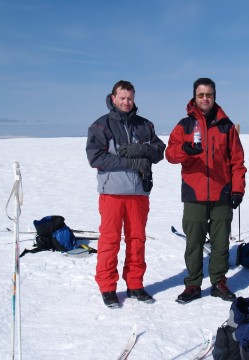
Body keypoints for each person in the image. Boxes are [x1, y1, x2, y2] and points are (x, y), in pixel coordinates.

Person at [166, 78, 247, 303]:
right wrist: (185, 150)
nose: (205, 98)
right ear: (194, 97)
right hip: (194, 192)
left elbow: (237, 161)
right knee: (194, 242)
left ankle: (219, 282)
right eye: (201, 95)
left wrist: (237, 189)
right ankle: (192, 284)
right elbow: (170, 154)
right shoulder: (185, 125)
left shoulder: (226, 125)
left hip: (222, 192)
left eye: (209, 94)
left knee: (221, 243)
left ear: (214, 96)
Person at [86, 80, 166, 308]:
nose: (126, 102)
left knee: (137, 240)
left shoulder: (144, 125)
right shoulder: (101, 126)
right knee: (110, 240)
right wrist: (130, 160)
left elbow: (160, 150)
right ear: (113, 98)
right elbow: (96, 157)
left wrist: (142, 150)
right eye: (121, 98)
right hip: (112, 193)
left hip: (139, 192)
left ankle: (135, 284)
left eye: (129, 98)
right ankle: (108, 287)